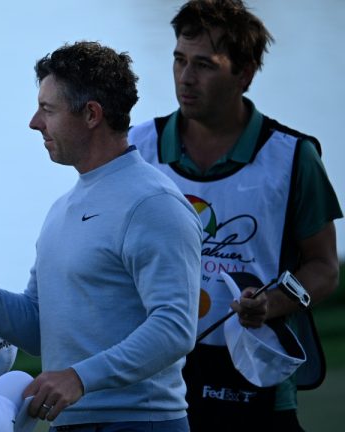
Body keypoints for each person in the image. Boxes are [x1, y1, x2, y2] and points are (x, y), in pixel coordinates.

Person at [0, 41, 203, 431]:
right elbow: (39, 330)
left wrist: (79, 378)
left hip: (142, 422)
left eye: (47, 109)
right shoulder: (63, 207)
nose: (34, 122)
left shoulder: (153, 204)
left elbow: (175, 327)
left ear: (91, 114)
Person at [127, 1, 342, 431]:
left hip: (257, 368)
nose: (186, 79)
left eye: (204, 65)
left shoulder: (293, 156)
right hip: (157, 366)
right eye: (179, 60)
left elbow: (323, 266)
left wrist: (274, 303)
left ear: (243, 74)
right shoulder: (137, 147)